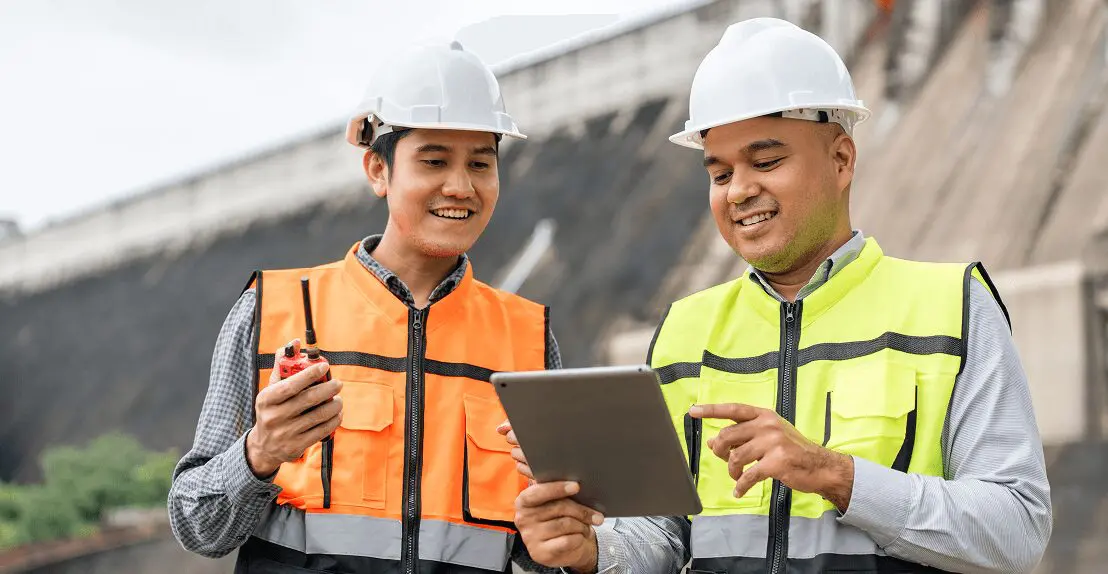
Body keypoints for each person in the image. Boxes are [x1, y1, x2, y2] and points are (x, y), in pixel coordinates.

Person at [505, 17, 1052, 574]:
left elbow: (1016, 530)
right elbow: (665, 538)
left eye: (766, 162)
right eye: (719, 174)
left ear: (841, 160)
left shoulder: (950, 306)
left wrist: (837, 476)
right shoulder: (686, 331)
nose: (739, 190)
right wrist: (594, 553)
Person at [168, 40, 563, 573]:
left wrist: (566, 540)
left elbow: (546, 548)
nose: (460, 186)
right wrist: (258, 453)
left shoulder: (526, 339)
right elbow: (197, 526)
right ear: (378, 171)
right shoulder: (274, 312)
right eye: (434, 160)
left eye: (480, 163)